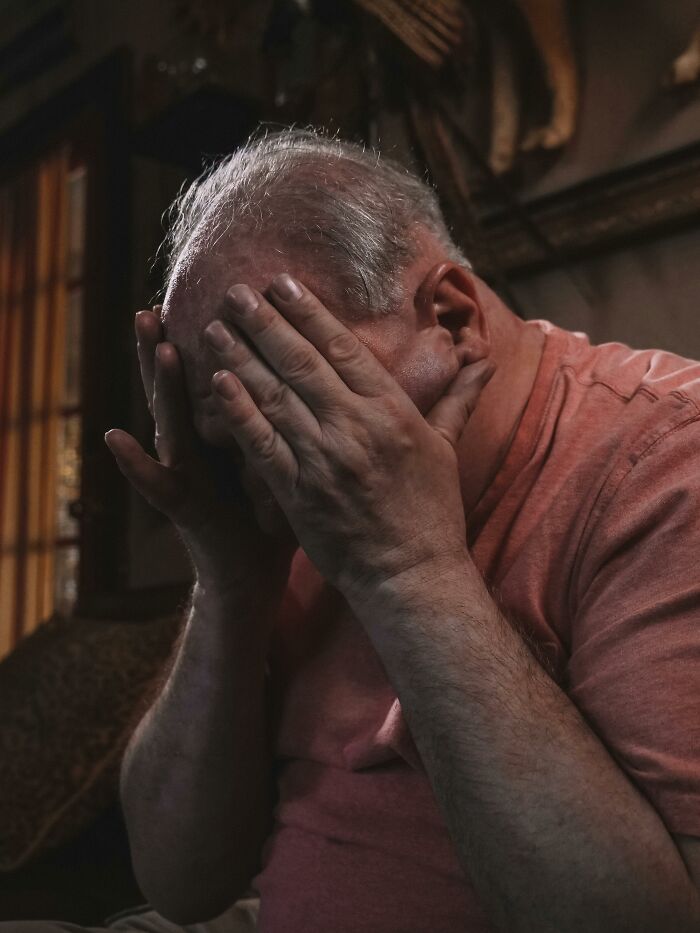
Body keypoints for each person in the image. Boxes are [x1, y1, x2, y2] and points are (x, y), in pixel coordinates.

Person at [5, 129, 700, 933]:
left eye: (291, 393)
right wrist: (229, 582)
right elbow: (178, 880)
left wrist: (409, 568)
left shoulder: (665, 459)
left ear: (451, 316)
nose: (269, 476)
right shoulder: (274, 500)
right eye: (228, 434)